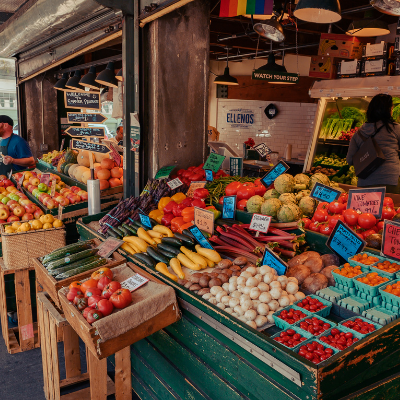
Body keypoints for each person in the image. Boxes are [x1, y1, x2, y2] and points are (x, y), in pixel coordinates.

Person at [346, 94, 400, 194]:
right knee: (391, 208)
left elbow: (350, 160)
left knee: (367, 210)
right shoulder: (396, 128)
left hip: (365, 182)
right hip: (391, 181)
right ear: (388, 111)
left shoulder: (359, 133)